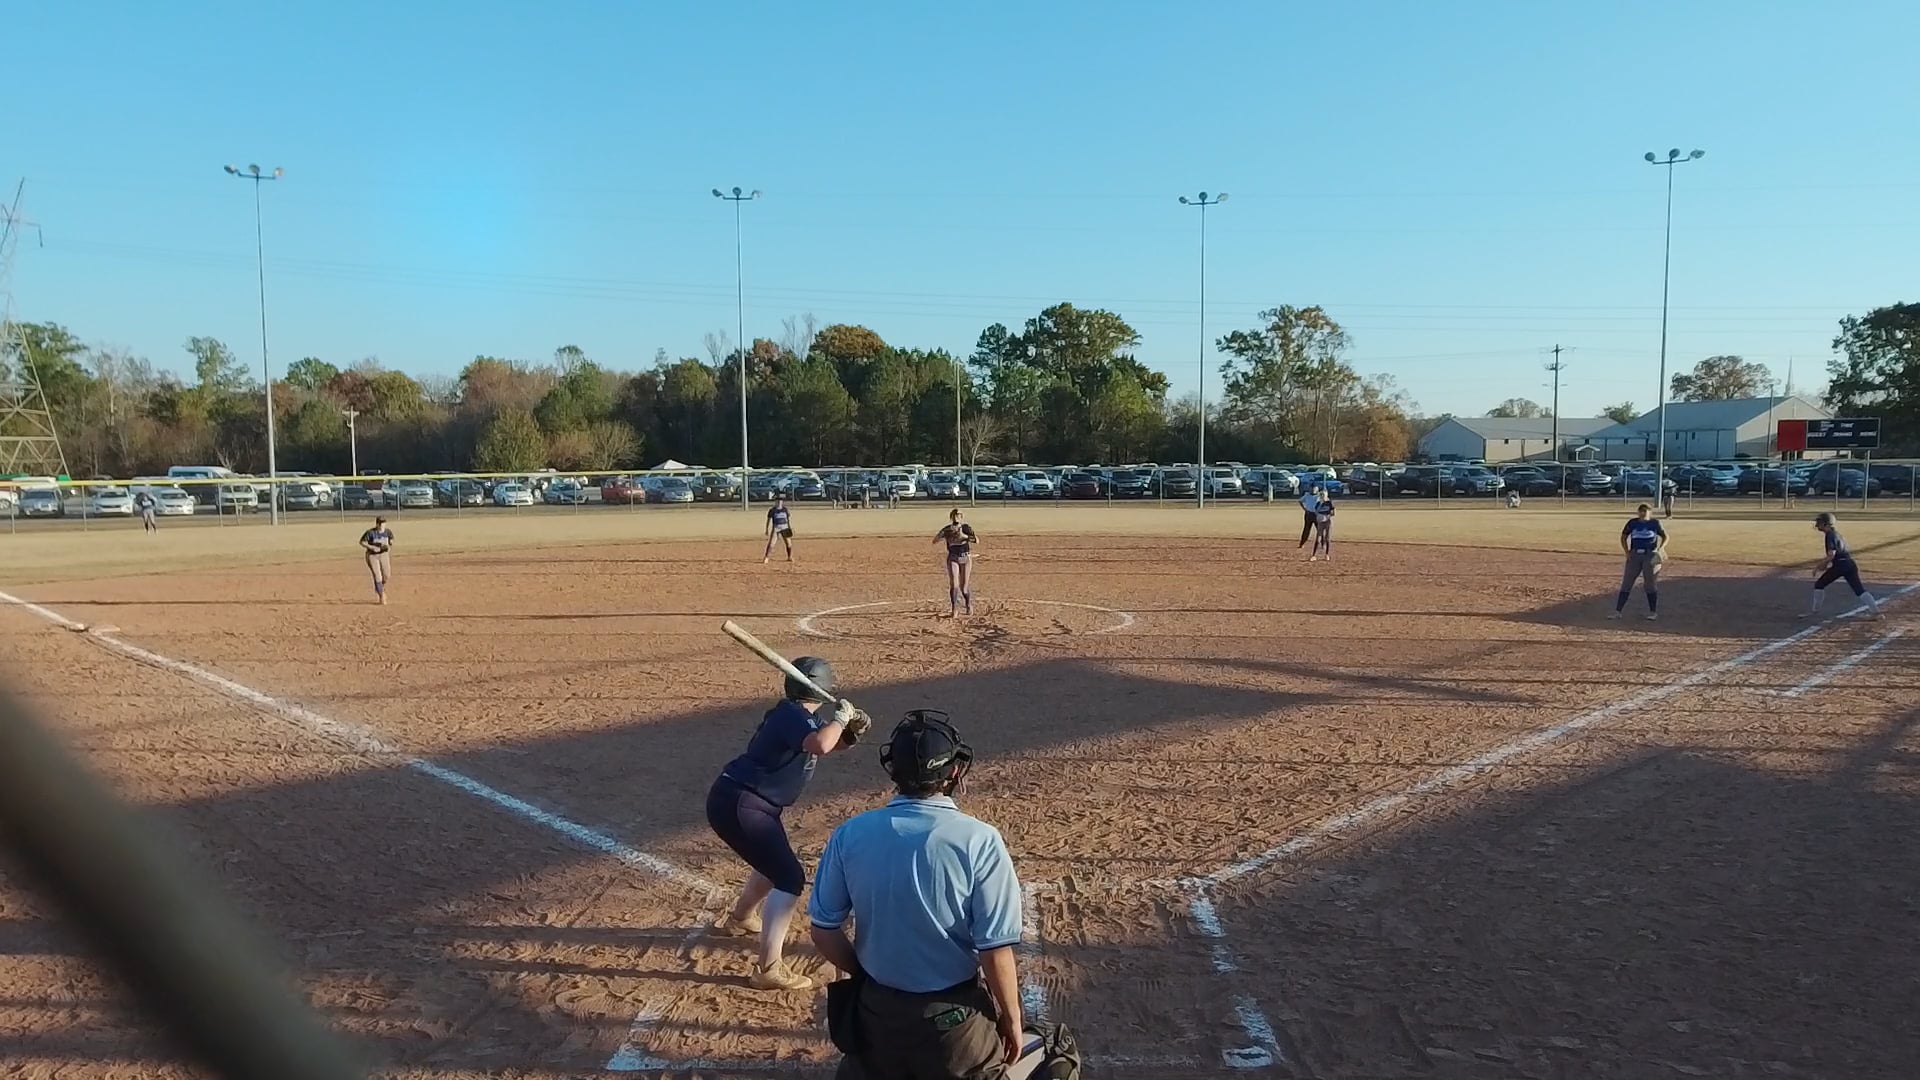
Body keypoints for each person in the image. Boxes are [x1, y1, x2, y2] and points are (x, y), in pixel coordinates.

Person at [809, 710, 1046, 1080]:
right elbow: (994, 949)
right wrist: (1011, 1017)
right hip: (954, 1024)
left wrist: (865, 975)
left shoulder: (850, 834)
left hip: (877, 1015)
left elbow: (824, 930)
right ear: (955, 772)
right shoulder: (980, 840)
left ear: (894, 770)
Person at [707, 657, 871, 991]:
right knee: (789, 877)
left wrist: (851, 732)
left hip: (745, 802)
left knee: (772, 866)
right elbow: (820, 744)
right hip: (744, 803)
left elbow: (830, 742)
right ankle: (768, 969)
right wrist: (841, 718)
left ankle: (740, 919)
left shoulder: (798, 716)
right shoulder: (791, 716)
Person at [1803, 512, 1882, 620]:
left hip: (1840, 565)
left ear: (1827, 524)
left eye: (1820, 522)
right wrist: (1826, 564)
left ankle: (1814, 611)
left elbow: (1831, 555)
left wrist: (1819, 566)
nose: (1817, 525)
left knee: (1819, 584)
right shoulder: (1837, 534)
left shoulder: (1829, 535)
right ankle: (1876, 612)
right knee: (1859, 590)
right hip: (1850, 563)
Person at [1610, 503, 1666, 621]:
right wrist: (1627, 551)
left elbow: (1665, 536)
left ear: (1650, 512)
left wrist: (1661, 548)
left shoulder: (1655, 523)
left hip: (1650, 555)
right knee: (1627, 583)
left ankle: (1653, 612)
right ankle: (1617, 611)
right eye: (1641, 511)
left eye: (1645, 511)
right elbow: (1623, 536)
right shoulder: (1632, 523)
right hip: (1635, 554)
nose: (1643, 513)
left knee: (1650, 584)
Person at [935, 509, 978, 618]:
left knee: (964, 588)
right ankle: (954, 608)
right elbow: (935, 540)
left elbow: (977, 540)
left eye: (958, 515)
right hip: (953, 558)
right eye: (954, 515)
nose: (956, 517)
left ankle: (968, 604)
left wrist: (964, 536)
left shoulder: (966, 528)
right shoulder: (948, 529)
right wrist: (944, 535)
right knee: (954, 584)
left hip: (965, 558)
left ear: (962, 517)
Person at [359, 517, 394, 605]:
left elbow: (391, 540)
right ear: (377, 524)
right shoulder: (371, 533)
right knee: (377, 575)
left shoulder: (387, 532)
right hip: (372, 556)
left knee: (386, 575)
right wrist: (372, 547)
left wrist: (389, 545)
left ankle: (380, 586)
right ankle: (381, 595)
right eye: (381, 523)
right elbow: (362, 542)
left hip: (384, 555)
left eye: (384, 523)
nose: (383, 525)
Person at [765, 495, 796, 564]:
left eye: (780, 501)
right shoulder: (772, 510)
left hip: (785, 527)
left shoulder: (785, 509)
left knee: (788, 543)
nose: (779, 502)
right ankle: (766, 557)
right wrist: (767, 529)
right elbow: (768, 520)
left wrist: (789, 527)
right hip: (776, 528)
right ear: (775, 502)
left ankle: (789, 557)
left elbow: (787, 520)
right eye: (778, 501)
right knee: (772, 543)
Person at [1308, 492, 1336, 562]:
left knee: (1327, 538)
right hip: (1320, 522)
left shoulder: (1329, 503)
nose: (1322, 496)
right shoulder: (1318, 504)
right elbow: (1316, 512)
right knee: (1318, 539)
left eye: (1323, 495)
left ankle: (1327, 554)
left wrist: (1328, 516)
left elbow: (1333, 513)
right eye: (1321, 495)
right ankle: (1313, 555)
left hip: (1327, 522)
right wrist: (1319, 516)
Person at [1296, 484, 1323, 549]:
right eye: (1312, 489)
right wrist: (1304, 508)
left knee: (1320, 530)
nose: (1313, 490)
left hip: (1317, 515)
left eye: (1315, 489)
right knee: (1306, 529)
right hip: (1308, 514)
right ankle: (1302, 544)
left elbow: (1326, 502)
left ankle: (1323, 544)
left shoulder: (1320, 496)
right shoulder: (1307, 495)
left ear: (1317, 489)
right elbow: (1300, 501)